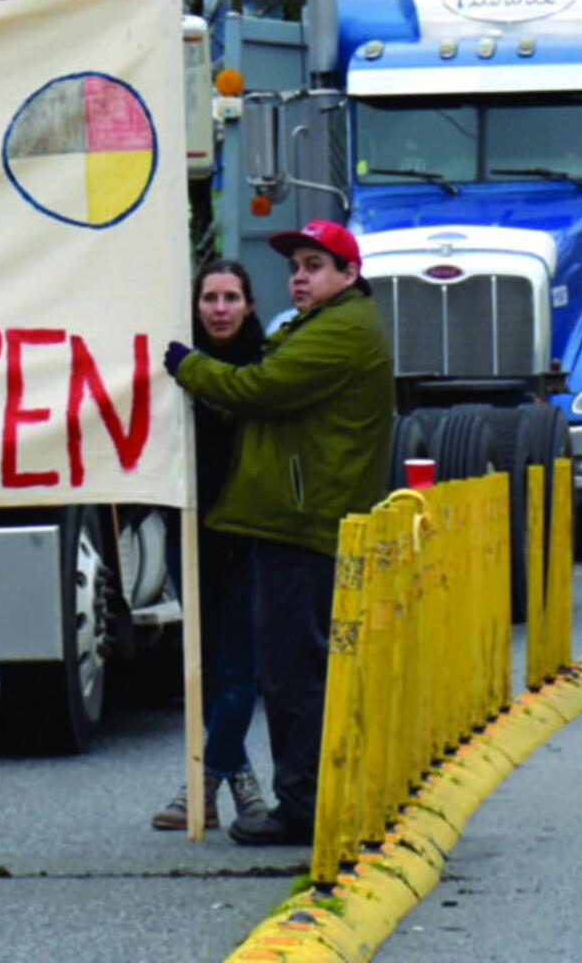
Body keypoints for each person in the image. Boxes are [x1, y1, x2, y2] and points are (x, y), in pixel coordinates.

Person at [164, 219, 393, 847]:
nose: (299, 277)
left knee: (294, 674)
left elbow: (260, 389)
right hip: (297, 518)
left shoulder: (342, 331)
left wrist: (189, 367)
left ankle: (302, 807)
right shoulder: (319, 325)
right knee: (290, 669)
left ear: (349, 275)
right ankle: (304, 796)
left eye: (315, 266)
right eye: (294, 267)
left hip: (305, 520)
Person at [151, 257, 272, 835]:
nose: (220, 309)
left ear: (249, 305)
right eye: (209, 298)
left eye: (230, 298)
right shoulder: (170, 363)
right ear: (195, 305)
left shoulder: (268, 363)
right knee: (202, 665)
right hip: (188, 526)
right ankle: (242, 784)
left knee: (238, 668)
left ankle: (200, 786)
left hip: (245, 529)